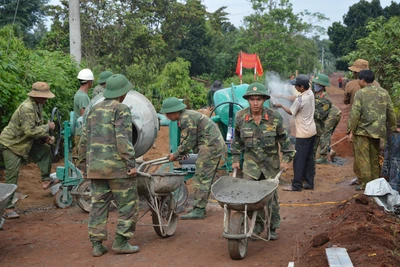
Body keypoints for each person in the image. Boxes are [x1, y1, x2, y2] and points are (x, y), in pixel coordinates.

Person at [78, 74, 139, 257]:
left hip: (96, 168)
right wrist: (130, 164)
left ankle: (97, 245)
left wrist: (83, 165)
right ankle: (121, 242)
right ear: (122, 93)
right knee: (128, 205)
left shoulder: (93, 109)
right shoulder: (122, 109)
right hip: (117, 169)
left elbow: (83, 139)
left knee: (98, 205)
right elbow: (123, 139)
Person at [231, 83, 295, 240]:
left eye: (258, 99)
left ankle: (272, 227)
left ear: (264, 100)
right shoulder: (240, 117)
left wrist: (286, 160)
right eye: (251, 99)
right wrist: (235, 159)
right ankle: (257, 226)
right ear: (247, 100)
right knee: (251, 198)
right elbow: (237, 141)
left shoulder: (275, 117)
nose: (255, 103)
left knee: (271, 199)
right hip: (250, 165)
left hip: (270, 165)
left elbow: (285, 142)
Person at [160, 97, 226, 220]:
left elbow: (188, 142)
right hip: (210, 146)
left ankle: (199, 211)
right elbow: (191, 140)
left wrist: (175, 155)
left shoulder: (186, 119)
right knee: (203, 177)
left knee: (201, 178)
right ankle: (198, 207)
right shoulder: (186, 116)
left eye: (168, 114)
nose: (167, 116)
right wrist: (181, 153)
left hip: (210, 147)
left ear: (174, 112)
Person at [0, 82, 56, 219]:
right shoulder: (27, 108)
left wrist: (45, 138)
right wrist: (47, 127)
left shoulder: (37, 106)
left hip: (24, 143)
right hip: (11, 144)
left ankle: (45, 180)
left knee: (45, 150)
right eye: (43, 97)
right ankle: (7, 209)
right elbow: (29, 131)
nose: (45, 99)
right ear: (36, 95)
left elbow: (33, 129)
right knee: (12, 177)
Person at [347, 70, 397, 191]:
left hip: (362, 132)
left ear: (363, 80)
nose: (359, 82)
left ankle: (366, 185)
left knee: (363, 159)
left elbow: (355, 114)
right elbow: (391, 111)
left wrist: (350, 130)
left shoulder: (360, 93)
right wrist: (393, 127)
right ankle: (376, 185)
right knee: (374, 159)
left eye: (359, 79)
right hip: (378, 132)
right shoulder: (384, 92)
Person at [274, 74, 317, 191]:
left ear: (302, 87)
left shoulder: (300, 99)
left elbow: (291, 112)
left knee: (298, 159)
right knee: (309, 158)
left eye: (296, 86)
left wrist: (281, 105)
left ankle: (296, 185)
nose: (295, 88)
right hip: (312, 131)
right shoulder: (311, 93)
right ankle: (309, 182)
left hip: (303, 134)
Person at [343, 59, 380, 185]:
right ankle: (375, 182)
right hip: (375, 126)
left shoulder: (351, 85)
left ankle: (363, 181)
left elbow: (346, 102)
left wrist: (350, 130)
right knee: (373, 155)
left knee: (360, 154)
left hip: (359, 125)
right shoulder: (378, 86)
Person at [311, 74, 332, 167]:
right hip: (310, 127)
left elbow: (321, 115)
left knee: (312, 151)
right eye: (315, 83)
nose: (315, 85)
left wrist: (308, 111)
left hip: (317, 129)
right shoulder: (314, 94)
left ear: (322, 86)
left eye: (317, 84)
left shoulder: (326, 100)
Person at [73, 68, 94, 152]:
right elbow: (84, 116)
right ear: (89, 82)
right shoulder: (83, 96)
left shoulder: (79, 94)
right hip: (82, 132)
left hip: (80, 131)